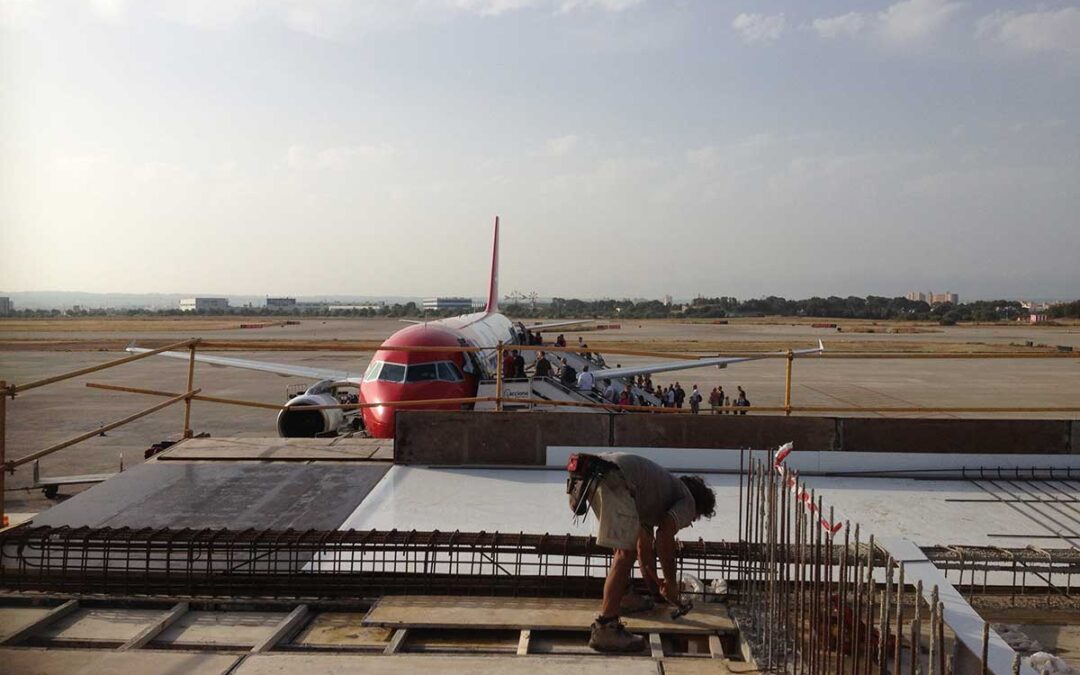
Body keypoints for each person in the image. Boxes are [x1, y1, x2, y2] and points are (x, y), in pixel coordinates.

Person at [581, 452, 717, 652]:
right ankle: (606, 629)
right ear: (698, 507)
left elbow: (643, 552)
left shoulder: (652, 497)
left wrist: (656, 590)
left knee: (623, 547)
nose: (691, 521)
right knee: (623, 554)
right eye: (696, 517)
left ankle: (624, 598)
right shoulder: (687, 500)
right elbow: (664, 537)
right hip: (614, 476)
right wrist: (670, 583)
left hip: (591, 473)